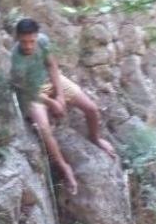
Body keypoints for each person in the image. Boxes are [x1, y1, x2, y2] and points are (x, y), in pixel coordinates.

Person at [9, 18, 115, 194]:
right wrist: (52, 103)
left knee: (91, 108)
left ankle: (95, 138)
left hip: (51, 82)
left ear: (36, 37)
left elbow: (52, 65)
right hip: (34, 93)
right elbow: (27, 91)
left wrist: (59, 94)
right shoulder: (16, 59)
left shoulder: (42, 41)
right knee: (44, 129)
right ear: (17, 38)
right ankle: (64, 167)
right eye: (23, 42)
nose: (28, 46)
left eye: (31, 41)